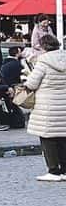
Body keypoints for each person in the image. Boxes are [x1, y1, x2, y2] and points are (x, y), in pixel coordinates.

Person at [23, 33, 66, 181]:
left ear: (43, 47)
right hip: (64, 104)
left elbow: (31, 84)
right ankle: (64, 170)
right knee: (62, 137)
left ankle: (53, 171)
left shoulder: (43, 62)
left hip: (47, 105)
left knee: (47, 138)